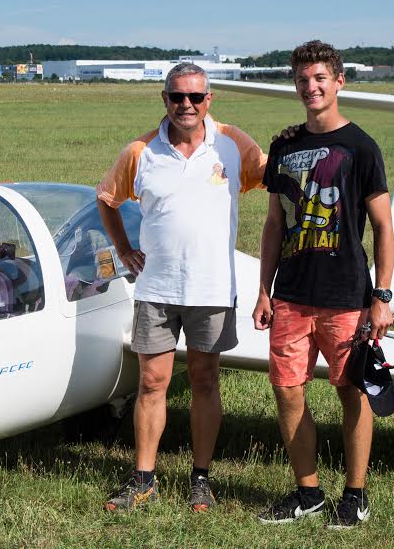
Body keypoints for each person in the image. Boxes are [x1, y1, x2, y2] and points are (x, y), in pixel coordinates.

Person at [97, 63, 267, 513]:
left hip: (212, 288)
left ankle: (201, 479)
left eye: (195, 97)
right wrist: (123, 248)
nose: (186, 105)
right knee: (152, 382)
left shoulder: (232, 143)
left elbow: (271, 176)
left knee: (205, 380)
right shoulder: (141, 151)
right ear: (165, 100)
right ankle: (144, 478)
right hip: (156, 287)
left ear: (209, 99)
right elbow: (106, 198)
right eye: (177, 97)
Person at [252, 40, 394, 528]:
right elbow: (275, 223)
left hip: (345, 297)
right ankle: (307, 491)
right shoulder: (284, 145)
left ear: (339, 81)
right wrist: (264, 288)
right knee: (288, 391)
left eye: (319, 79)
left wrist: (382, 295)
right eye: (301, 80)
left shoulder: (361, 147)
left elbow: (383, 226)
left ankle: (355, 495)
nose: (310, 88)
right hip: (291, 294)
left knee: (352, 393)